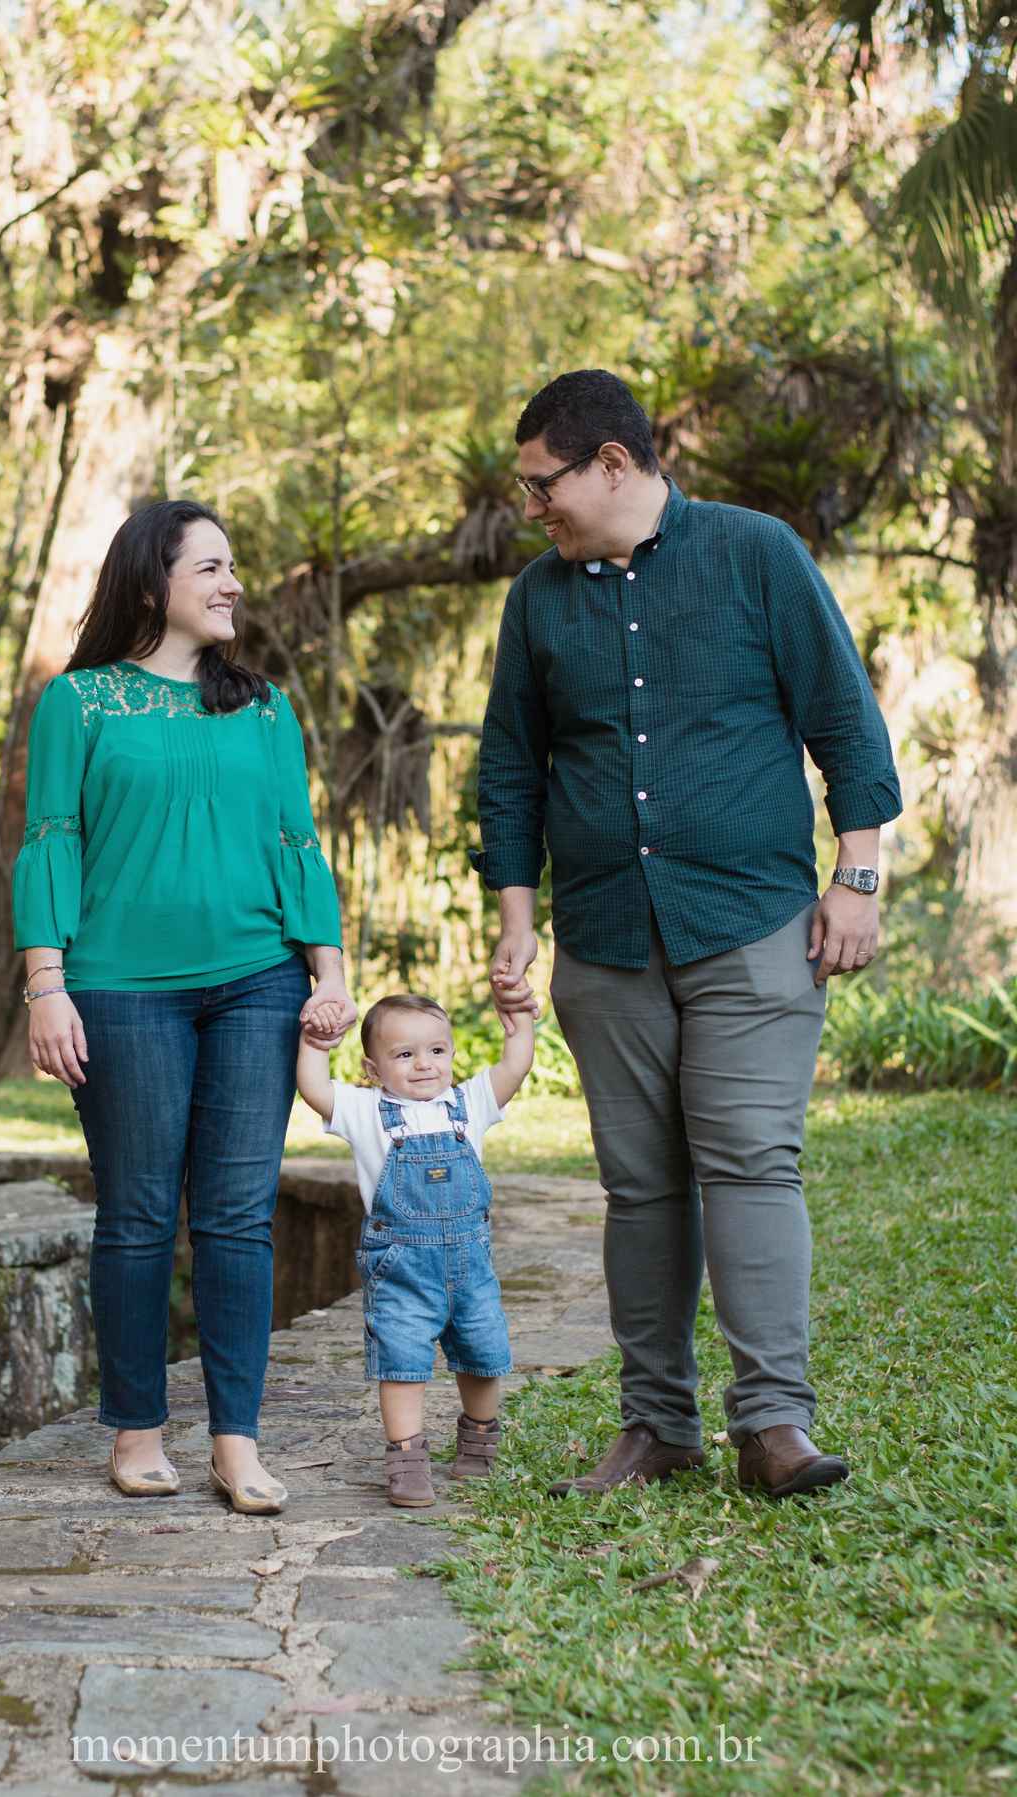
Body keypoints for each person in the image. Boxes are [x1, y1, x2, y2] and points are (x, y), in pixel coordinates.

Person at [476, 369, 902, 1501]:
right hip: (606, 938)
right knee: (641, 1186)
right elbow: (512, 774)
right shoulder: (539, 599)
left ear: (613, 463)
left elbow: (844, 722)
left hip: (751, 922)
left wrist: (855, 879)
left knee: (752, 1161)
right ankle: (656, 1426)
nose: (534, 507)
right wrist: (518, 925)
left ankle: (775, 1424)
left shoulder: (756, 554)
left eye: (543, 483)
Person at [12, 498, 356, 1515]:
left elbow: (297, 841)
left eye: (234, 565)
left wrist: (329, 971)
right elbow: (51, 842)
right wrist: (47, 985)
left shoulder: (264, 708)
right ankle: (138, 1429)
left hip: (259, 981)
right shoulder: (81, 703)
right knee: (139, 1217)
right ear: (152, 583)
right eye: (210, 566)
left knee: (241, 1220)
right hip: (120, 992)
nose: (232, 582)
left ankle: (238, 1443)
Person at [295, 993, 535, 1506]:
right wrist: (316, 1042)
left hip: (471, 1267)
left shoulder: (469, 1104)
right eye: (404, 1055)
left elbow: (516, 1065)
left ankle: (479, 1435)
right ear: (373, 1068)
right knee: (401, 1361)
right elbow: (313, 1086)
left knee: (483, 1354)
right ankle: (407, 1459)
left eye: (437, 1051)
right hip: (402, 1268)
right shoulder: (365, 1111)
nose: (424, 1064)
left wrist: (519, 1019)